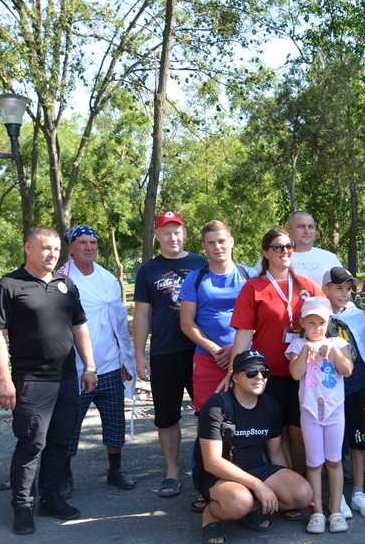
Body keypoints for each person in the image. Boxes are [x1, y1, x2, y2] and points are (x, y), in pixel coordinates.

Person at [0, 227, 98, 535]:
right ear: (28, 249)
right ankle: (22, 505)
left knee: (60, 442)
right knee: (32, 442)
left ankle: (51, 497)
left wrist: (89, 366)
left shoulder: (66, 283)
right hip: (31, 379)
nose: (51, 254)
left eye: (55, 249)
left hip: (66, 377)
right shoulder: (9, 285)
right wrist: (4, 379)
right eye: (44, 248)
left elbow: (80, 327)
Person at [193, 349, 313, 544]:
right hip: (218, 475)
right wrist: (259, 486)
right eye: (251, 372)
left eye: (264, 372)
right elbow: (212, 463)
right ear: (235, 377)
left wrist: (292, 490)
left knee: (302, 494)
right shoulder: (217, 407)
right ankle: (211, 515)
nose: (259, 377)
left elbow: (275, 454)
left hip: (256, 470)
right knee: (239, 501)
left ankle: (250, 508)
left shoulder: (271, 406)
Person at [229, 228, 322, 479]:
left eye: (289, 246)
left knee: (301, 433)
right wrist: (233, 372)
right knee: (275, 435)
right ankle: (288, 488)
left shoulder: (308, 286)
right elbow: (244, 334)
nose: (285, 251)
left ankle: (306, 487)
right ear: (265, 252)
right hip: (267, 375)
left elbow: (327, 326)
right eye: (278, 247)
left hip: (304, 373)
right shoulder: (253, 288)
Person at [133, 211, 207, 498]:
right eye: (166, 232)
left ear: (184, 233)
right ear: (157, 236)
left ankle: (207, 470)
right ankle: (172, 473)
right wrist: (140, 354)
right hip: (164, 352)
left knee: (208, 413)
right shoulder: (148, 270)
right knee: (166, 417)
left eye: (177, 231)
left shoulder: (200, 264)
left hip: (199, 350)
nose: (172, 237)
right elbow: (142, 314)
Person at [58, 225, 137, 493]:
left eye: (93, 242)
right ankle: (64, 474)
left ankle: (115, 469)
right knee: (70, 425)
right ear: (70, 246)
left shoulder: (107, 278)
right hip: (77, 369)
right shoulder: (61, 280)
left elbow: (119, 325)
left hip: (111, 366)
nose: (89, 247)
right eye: (82, 242)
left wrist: (126, 362)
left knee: (115, 423)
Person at [287, 297, 354, 534]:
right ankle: (316, 511)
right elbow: (295, 374)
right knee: (314, 462)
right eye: (311, 322)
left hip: (335, 410)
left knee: (333, 460)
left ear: (328, 322)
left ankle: (335, 511)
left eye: (321, 323)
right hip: (310, 411)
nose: (316, 328)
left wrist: (334, 352)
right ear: (303, 323)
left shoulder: (337, 342)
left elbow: (347, 370)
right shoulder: (297, 346)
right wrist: (306, 351)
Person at [179, 220, 255, 414]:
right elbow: (187, 323)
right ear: (204, 247)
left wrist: (234, 350)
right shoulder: (194, 278)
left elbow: (260, 319)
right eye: (211, 243)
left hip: (245, 357)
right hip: (207, 358)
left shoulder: (250, 275)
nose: (217, 247)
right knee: (209, 418)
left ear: (231, 241)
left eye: (221, 241)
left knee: (247, 416)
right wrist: (215, 350)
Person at [322, 266, 365, 517]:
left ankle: (358, 492)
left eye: (348, 289)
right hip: (331, 390)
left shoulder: (356, 316)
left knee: (360, 442)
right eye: (338, 288)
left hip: (358, 387)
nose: (344, 294)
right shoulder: (317, 316)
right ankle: (338, 496)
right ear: (326, 289)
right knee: (335, 445)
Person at [284, 211, 342, 286]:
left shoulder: (330, 258)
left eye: (311, 227)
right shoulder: (276, 258)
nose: (307, 231)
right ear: (288, 229)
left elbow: (344, 291)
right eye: (301, 226)